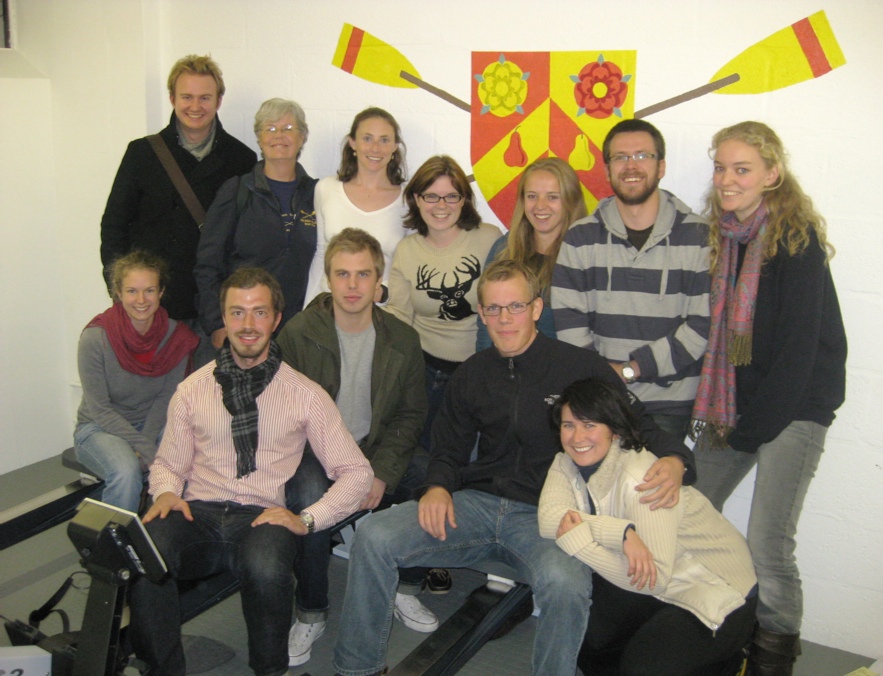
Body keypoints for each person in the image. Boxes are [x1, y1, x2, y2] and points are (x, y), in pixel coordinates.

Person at [333, 260, 696, 676]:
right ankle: (357, 669)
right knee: (375, 536)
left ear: (537, 309)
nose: (503, 320)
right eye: (493, 309)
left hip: (548, 517)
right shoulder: (472, 373)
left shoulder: (580, 368)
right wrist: (437, 486)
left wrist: (676, 459)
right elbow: (447, 448)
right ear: (482, 313)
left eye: (516, 307)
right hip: (476, 506)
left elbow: (640, 426)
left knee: (566, 584)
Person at [128, 267, 373, 676]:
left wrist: (308, 518)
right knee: (146, 551)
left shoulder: (304, 394)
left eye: (259, 313)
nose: (247, 325)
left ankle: (269, 670)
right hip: (199, 512)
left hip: (261, 515)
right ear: (223, 318)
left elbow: (356, 473)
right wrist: (167, 491)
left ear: (276, 320)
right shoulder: (193, 388)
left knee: (264, 565)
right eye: (237, 313)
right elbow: (169, 464)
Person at [690, 121, 847, 676]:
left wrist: (751, 432)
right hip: (733, 406)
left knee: (768, 543)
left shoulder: (795, 242)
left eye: (742, 169)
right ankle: (711, 635)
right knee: (689, 511)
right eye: (720, 168)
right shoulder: (722, 237)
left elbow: (800, 354)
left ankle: (772, 659)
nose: (727, 180)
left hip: (793, 407)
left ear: (772, 175)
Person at [276, 228, 428, 665]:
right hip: (316, 453)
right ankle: (310, 610)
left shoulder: (402, 339)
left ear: (379, 280)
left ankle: (408, 586)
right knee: (306, 497)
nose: (353, 286)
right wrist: (341, 470)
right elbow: (285, 414)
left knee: (430, 477)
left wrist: (379, 471)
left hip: (376, 447)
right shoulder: (299, 334)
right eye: (342, 274)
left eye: (363, 274)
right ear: (328, 278)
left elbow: (410, 415)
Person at [538, 378, 757, 675]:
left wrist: (580, 543)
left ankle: (728, 663)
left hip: (717, 592)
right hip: (662, 577)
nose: (577, 437)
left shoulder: (642, 479)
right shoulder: (565, 463)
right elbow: (550, 519)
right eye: (568, 425)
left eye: (590, 425)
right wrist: (620, 532)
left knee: (641, 668)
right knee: (586, 641)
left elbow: (654, 580)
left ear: (614, 430)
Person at [552, 119, 711, 438]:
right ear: (607, 169)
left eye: (642, 156)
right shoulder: (580, 237)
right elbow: (570, 323)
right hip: (601, 400)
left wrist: (630, 369)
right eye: (620, 157)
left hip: (669, 403)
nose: (631, 166)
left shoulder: (700, 236)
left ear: (661, 166)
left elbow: (701, 326)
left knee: (651, 487)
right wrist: (601, 379)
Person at [100, 54, 256, 325]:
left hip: (212, 307)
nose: (195, 106)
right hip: (152, 306)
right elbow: (114, 225)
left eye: (205, 98)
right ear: (172, 99)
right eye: (187, 97)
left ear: (218, 101)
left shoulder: (241, 159)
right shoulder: (142, 153)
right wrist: (121, 293)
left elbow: (245, 239)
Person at [74, 251, 198, 514]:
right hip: (99, 428)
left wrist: (147, 443)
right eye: (132, 291)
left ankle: (165, 539)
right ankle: (116, 550)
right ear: (118, 292)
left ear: (161, 291)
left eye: (149, 290)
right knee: (126, 471)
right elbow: (100, 409)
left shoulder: (177, 337)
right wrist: (148, 452)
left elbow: (165, 400)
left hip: (153, 425)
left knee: (190, 459)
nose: (141, 300)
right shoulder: (95, 338)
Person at [195, 98, 318, 350]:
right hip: (245, 330)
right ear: (259, 138)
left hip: (300, 331)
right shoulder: (237, 191)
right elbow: (208, 264)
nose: (279, 136)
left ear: (303, 136)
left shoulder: (317, 194)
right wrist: (218, 324)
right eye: (270, 129)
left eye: (288, 128)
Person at [476, 157, 588, 351]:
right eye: (532, 196)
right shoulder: (503, 249)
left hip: (566, 370)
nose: (540, 206)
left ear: (571, 200)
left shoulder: (585, 255)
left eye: (553, 197)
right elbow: (486, 324)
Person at [304, 107, 409, 302]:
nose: (375, 148)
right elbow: (321, 254)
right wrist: (309, 308)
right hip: (329, 310)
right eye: (367, 138)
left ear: (395, 146)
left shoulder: (409, 199)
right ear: (353, 143)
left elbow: (408, 266)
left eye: (384, 140)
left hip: (380, 311)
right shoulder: (325, 188)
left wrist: (383, 293)